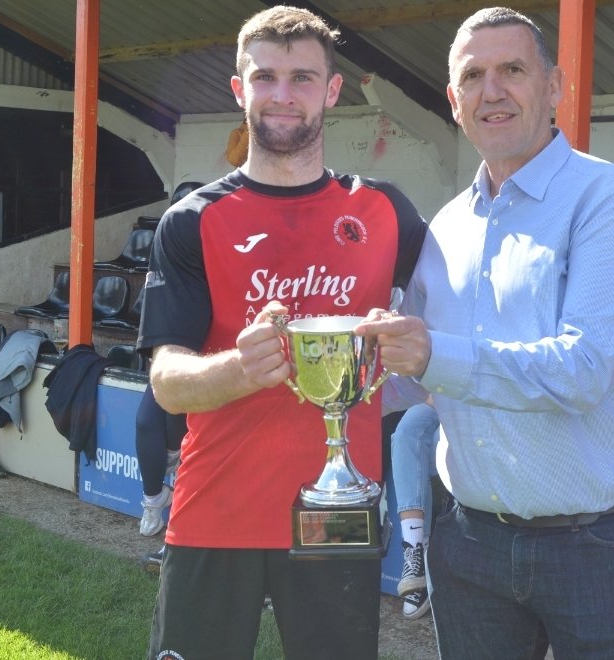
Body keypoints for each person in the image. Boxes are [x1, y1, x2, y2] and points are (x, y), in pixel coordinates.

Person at [357, 7, 614, 658]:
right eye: (472, 76)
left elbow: (582, 369)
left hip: (600, 545)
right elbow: (408, 375)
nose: (491, 90)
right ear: (452, 100)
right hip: (470, 542)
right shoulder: (445, 226)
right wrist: (317, 375)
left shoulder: (609, 201)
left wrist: (429, 353)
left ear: (554, 87)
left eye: (512, 70)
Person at [136, 6, 426, 659]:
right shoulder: (192, 221)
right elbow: (166, 382)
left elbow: (437, 329)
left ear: (330, 91)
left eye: (301, 78)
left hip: (338, 515)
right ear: (239, 90)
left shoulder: (384, 212)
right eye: (265, 77)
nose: (282, 95)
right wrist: (236, 370)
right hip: (216, 509)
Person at [390, 401, 440, 621]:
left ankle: (425, 563)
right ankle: (415, 555)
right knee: (405, 433)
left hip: (485, 404)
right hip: (439, 396)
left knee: (431, 450)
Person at [135, 384, 185, 536]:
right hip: (173, 365)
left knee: (174, 406)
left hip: (210, 371)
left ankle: (173, 451)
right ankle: (154, 499)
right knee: (145, 422)